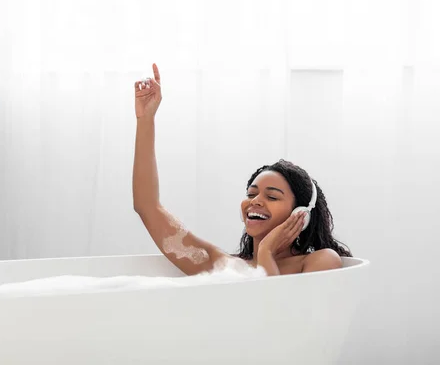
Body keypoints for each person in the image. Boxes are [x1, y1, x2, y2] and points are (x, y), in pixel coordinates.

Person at [132, 63, 352, 277]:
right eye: (251, 194)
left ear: (300, 215)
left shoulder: (320, 260)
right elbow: (147, 207)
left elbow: (280, 310)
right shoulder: (226, 268)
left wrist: (266, 251)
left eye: (272, 196)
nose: (255, 201)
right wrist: (146, 119)